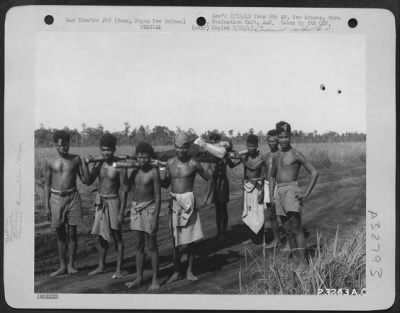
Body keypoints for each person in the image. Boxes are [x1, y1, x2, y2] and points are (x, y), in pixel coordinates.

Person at [160, 132, 212, 282]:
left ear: (188, 147)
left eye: (183, 147)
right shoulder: (169, 163)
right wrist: (161, 174)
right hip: (174, 202)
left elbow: (210, 179)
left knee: (190, 241)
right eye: (177, 147)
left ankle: (189, 270)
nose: (180, 150)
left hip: (189, 203)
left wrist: (205, 198)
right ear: (174, 147)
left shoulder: (193, 163)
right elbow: (165, 184)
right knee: (175, 240)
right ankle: (177, 271)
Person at [269, 121, 319, 273]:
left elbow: (314, 172)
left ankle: (303, 262)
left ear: (290, 136)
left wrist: (305, 193)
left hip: (291, 190)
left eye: (286, 137)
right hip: (279, 191)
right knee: (287, 229)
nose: (283, 140)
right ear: (277, 137)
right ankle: (296, 258)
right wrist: (271, 196)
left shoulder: (295, 154)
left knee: (296, 227)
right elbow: (272, 176)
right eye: (281, 137)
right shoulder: (276, 156)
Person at [82, 133, 128, 279]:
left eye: (109, 150)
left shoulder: (119, 166)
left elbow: (125, 190)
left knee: (117, 236)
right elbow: (88, 181)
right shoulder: (99, 163)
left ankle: (119, 269)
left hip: (114, 201)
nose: (106, 153)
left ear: (114, 149)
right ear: (100, 149)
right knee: (101, 236)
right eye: (103, 150)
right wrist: (88, 164)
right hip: (100, 201)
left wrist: (121, 212)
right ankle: (101, 266)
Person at [44, 130, 85, 276]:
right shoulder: (49, 160)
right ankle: (62, 266)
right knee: (60, 234)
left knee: (72, 233)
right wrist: (46, 206)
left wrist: (88, 164)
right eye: (60, 145)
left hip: (72, 197)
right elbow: (47, 185)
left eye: (66, 144)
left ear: (69, 143)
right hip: (55, 199)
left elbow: (85, 180)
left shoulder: (76, 159)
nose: (63, 148)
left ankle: (71, 265)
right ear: (55, 144)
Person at [125, 142, 161, 290]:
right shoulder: (134, 171)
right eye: (139, 157)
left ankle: (155, 279)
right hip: (136, 209)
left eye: (146, 157)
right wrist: (125, 171)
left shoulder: (153, 172)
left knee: (152, 245)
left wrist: (156, 218)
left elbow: (158, 197)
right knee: (139, 245)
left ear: (150, 157)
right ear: (136, 157)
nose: (142, 160)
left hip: (150, 208)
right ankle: (139, 277)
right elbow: (126, 187)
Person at [208, 132, 240, 239]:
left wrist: (241, 160)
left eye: (214, 141)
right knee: (218, 208)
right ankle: (219, 231)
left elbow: (231, 165)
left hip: (223, 181)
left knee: (223, 207)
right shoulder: (210, 155)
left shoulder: (224, 154)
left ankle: (224, 231)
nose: (213, 144)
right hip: (214, 181)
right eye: (211, 142)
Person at [238, 134, 266, 238]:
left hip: (258, 185)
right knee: (248, 211)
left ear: (257, 146)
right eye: (249, 146)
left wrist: (262, 190)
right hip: (247, 185)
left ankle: (260, 235)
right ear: (246, 146)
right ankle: (250, 236)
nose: (251, 148)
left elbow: (254, 168)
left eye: (253, 146)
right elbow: (232, 164)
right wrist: (228, 155)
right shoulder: (245, 156)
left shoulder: (261, 157)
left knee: (259, 211)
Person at [262, 130, 281, 248]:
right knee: (271, 214)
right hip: (267, 185)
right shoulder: (266, 156)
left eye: (274, 141)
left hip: (279, 185)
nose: (271, 143)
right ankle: (277, 239)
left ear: (277, 141)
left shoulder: (281, 155)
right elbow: (264, 173)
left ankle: (290, 240)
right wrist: (262, 190)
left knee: (284, 214)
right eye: (269, 141)